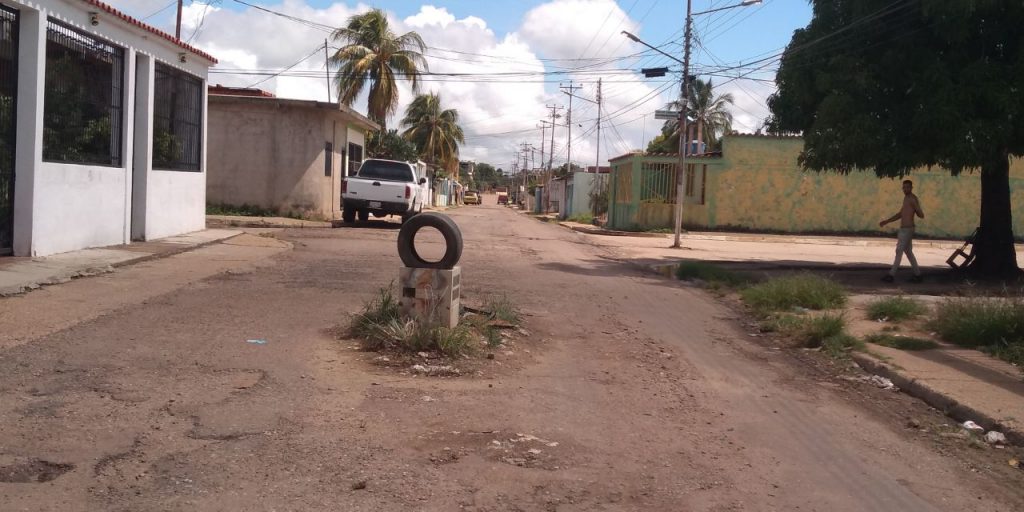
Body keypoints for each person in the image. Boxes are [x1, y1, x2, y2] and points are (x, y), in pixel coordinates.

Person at [879, 179, 924, 283]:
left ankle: (891, 275)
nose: (905, 189)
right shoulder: (906, 198)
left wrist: (916, 209)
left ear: (911, 188)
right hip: (904, 229)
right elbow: (901, 214)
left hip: (908, 229)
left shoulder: (912, 199)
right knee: (908, 252)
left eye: (907, 187)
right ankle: (918, 275)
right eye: (904, 187)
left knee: (899, 251)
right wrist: (887, 221)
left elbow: (921, 215)